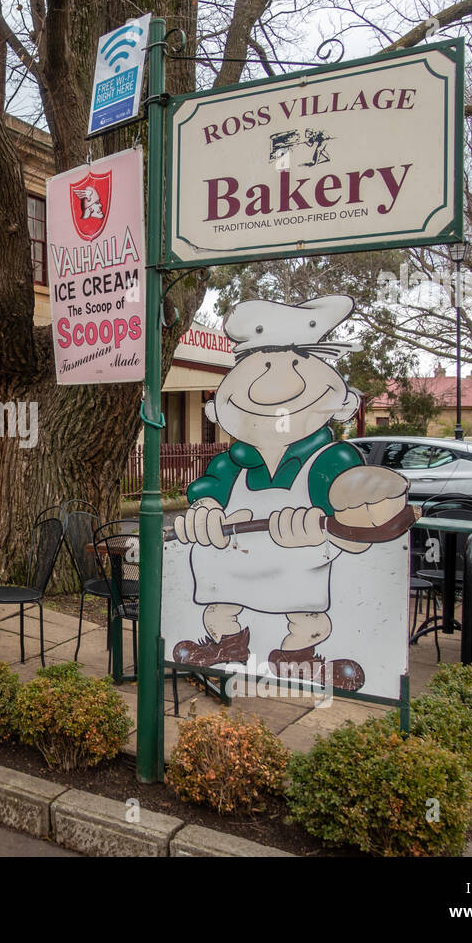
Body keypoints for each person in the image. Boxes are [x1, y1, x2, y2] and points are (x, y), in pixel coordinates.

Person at [171, 295, 410, 692]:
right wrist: (207, 510)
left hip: (299, 565)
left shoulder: (327, 460)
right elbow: (209, 488)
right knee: (218, 608)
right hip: (234, 565)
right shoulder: (235, 462)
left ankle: (297, 658)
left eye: (295, 363)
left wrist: (332, 519)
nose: (273, 377)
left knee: (308, 619)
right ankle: (227, 646)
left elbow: (356, 508)